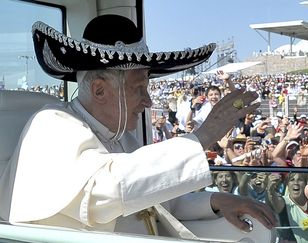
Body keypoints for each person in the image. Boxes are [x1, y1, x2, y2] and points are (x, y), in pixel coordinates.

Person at [0, 15, 276, 236]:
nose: (147, 100)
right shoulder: (52, 125)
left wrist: (217, 202)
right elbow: (102, 192)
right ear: (99, 91)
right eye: (138, 88)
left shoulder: (123, 138)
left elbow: (160, 201)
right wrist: (202, 136)